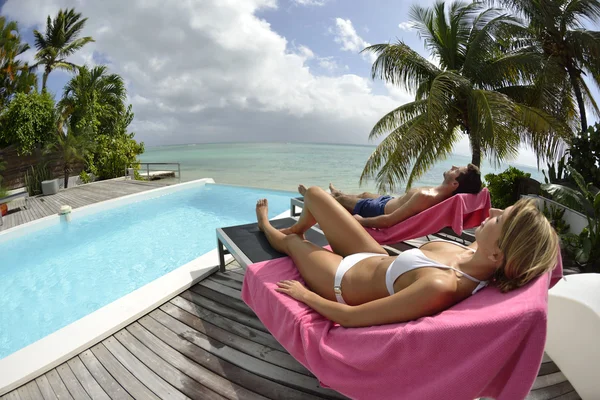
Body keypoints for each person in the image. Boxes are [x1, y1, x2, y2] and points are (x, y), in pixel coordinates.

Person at [255, 186, 558, 328]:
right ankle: (298, 226)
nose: (492, 213)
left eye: (500, 220)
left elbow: (350, 318)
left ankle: (268, 226)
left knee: (292, 242)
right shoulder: (475, 253)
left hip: (341, 279)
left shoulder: (441, 286)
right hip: (373, 257)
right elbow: (544, 261)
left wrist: (305, 296)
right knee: (316, 195)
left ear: (498, 253)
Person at [298, 164, 482, 229]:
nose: (452, 166)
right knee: (363, 194)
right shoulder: (440, 193)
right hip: (386, 200)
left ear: (455, 184)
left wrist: (360, 221)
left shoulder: (427, 197)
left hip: (377, 210)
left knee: (338, 202)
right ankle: (338, 192)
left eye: (457, 170)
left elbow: (388, 221)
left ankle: (312, 197)